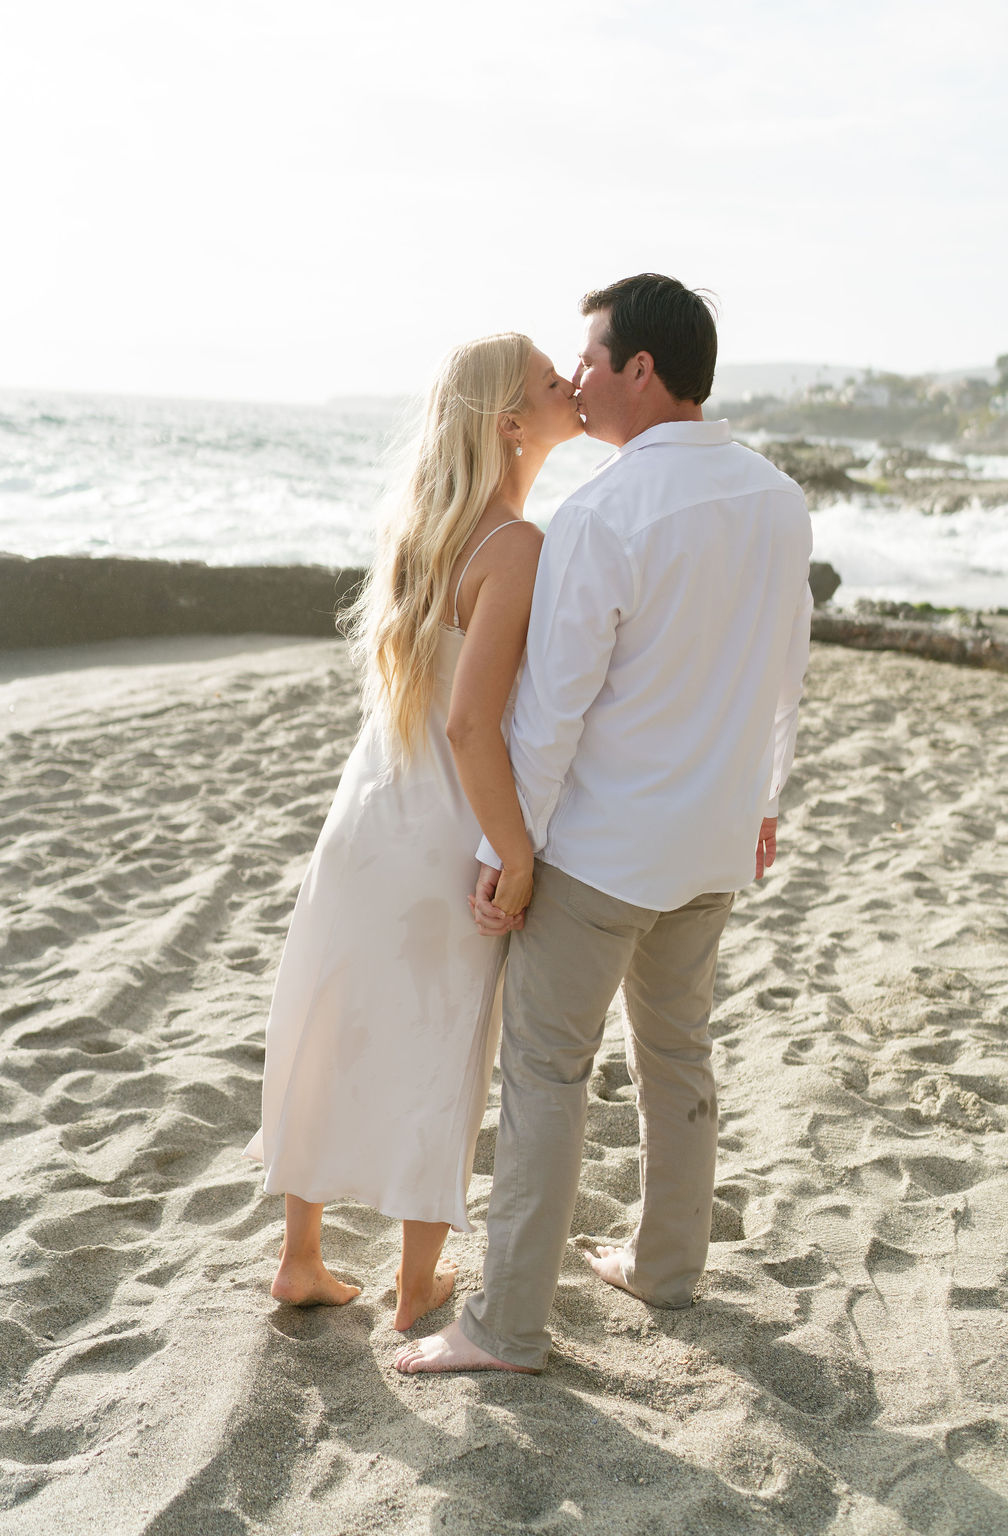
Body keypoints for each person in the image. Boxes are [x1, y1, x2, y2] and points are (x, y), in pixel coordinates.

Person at [395, 273, 813, 1375]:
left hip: (600, 857)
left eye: (588, 357)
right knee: (678, 1054)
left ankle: (505, 1328)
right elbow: (786, 673)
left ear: (640, 367)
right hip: (712, 846)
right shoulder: (778, 498)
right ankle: (666, 1268)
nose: (576, 376)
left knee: (546, 1076)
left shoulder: (601, 513)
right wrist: (765, 803)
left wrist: (504, 853)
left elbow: (550, 715)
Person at [244, 332, 583, 1329]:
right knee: (442, 1041)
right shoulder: (514, 546)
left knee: (332, 1023)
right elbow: (472, 725)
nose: (570, 381)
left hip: (364, 817)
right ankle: (416, 1283)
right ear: (511, 423)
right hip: (442, 828)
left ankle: (300, 1257)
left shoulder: (417, 528)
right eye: (550, 379)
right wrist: (514, 852)